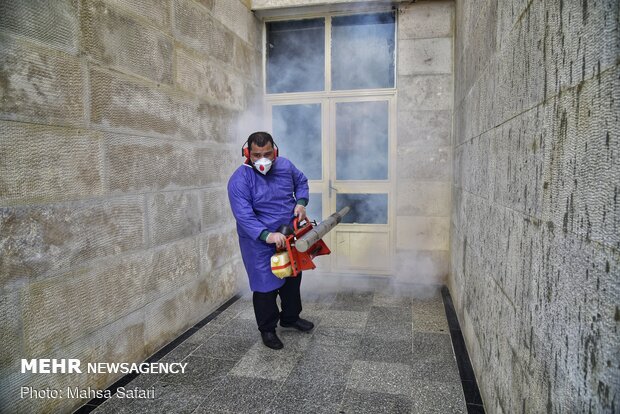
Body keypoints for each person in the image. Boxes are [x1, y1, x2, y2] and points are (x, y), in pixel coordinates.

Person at [227, 131, 314, 350]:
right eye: (257, 155)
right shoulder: (240, 180)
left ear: (275, 151)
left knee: (292, 279)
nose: (263, 159)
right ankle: (267, 329)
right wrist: (267, 235)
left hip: (289, 235)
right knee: (266, 287)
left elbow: (301, 181)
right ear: (247, 153)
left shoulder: (285, 165)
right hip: (259, 242)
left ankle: (290, 318)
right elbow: (244, 216)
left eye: (267, 153)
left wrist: (301, 203)